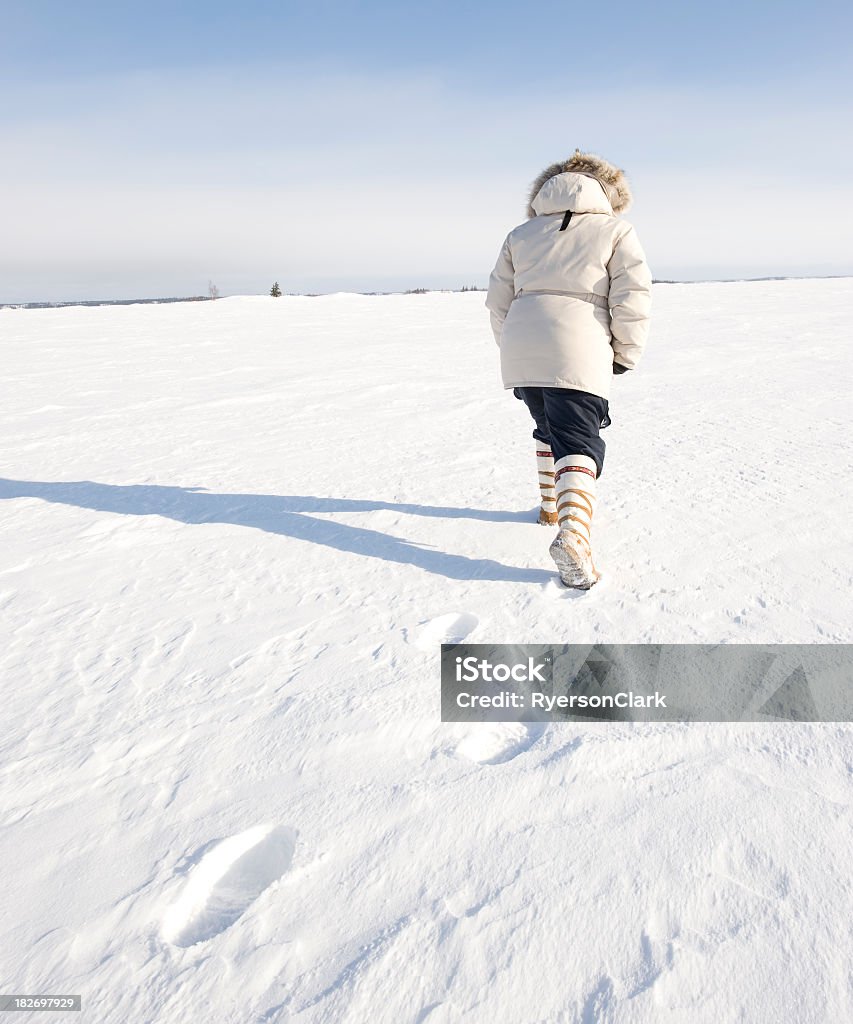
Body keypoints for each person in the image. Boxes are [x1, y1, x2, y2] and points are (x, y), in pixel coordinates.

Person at [485, 149, 652, 589]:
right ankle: (574, 538)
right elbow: (632, 296)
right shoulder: (615, 230)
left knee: (548, 426)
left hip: (522, 348)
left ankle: (550, 508)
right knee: (577, 437)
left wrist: (513, 347)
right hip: (578, 347)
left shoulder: (521, 233)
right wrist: (625, 353)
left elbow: (497, 300)